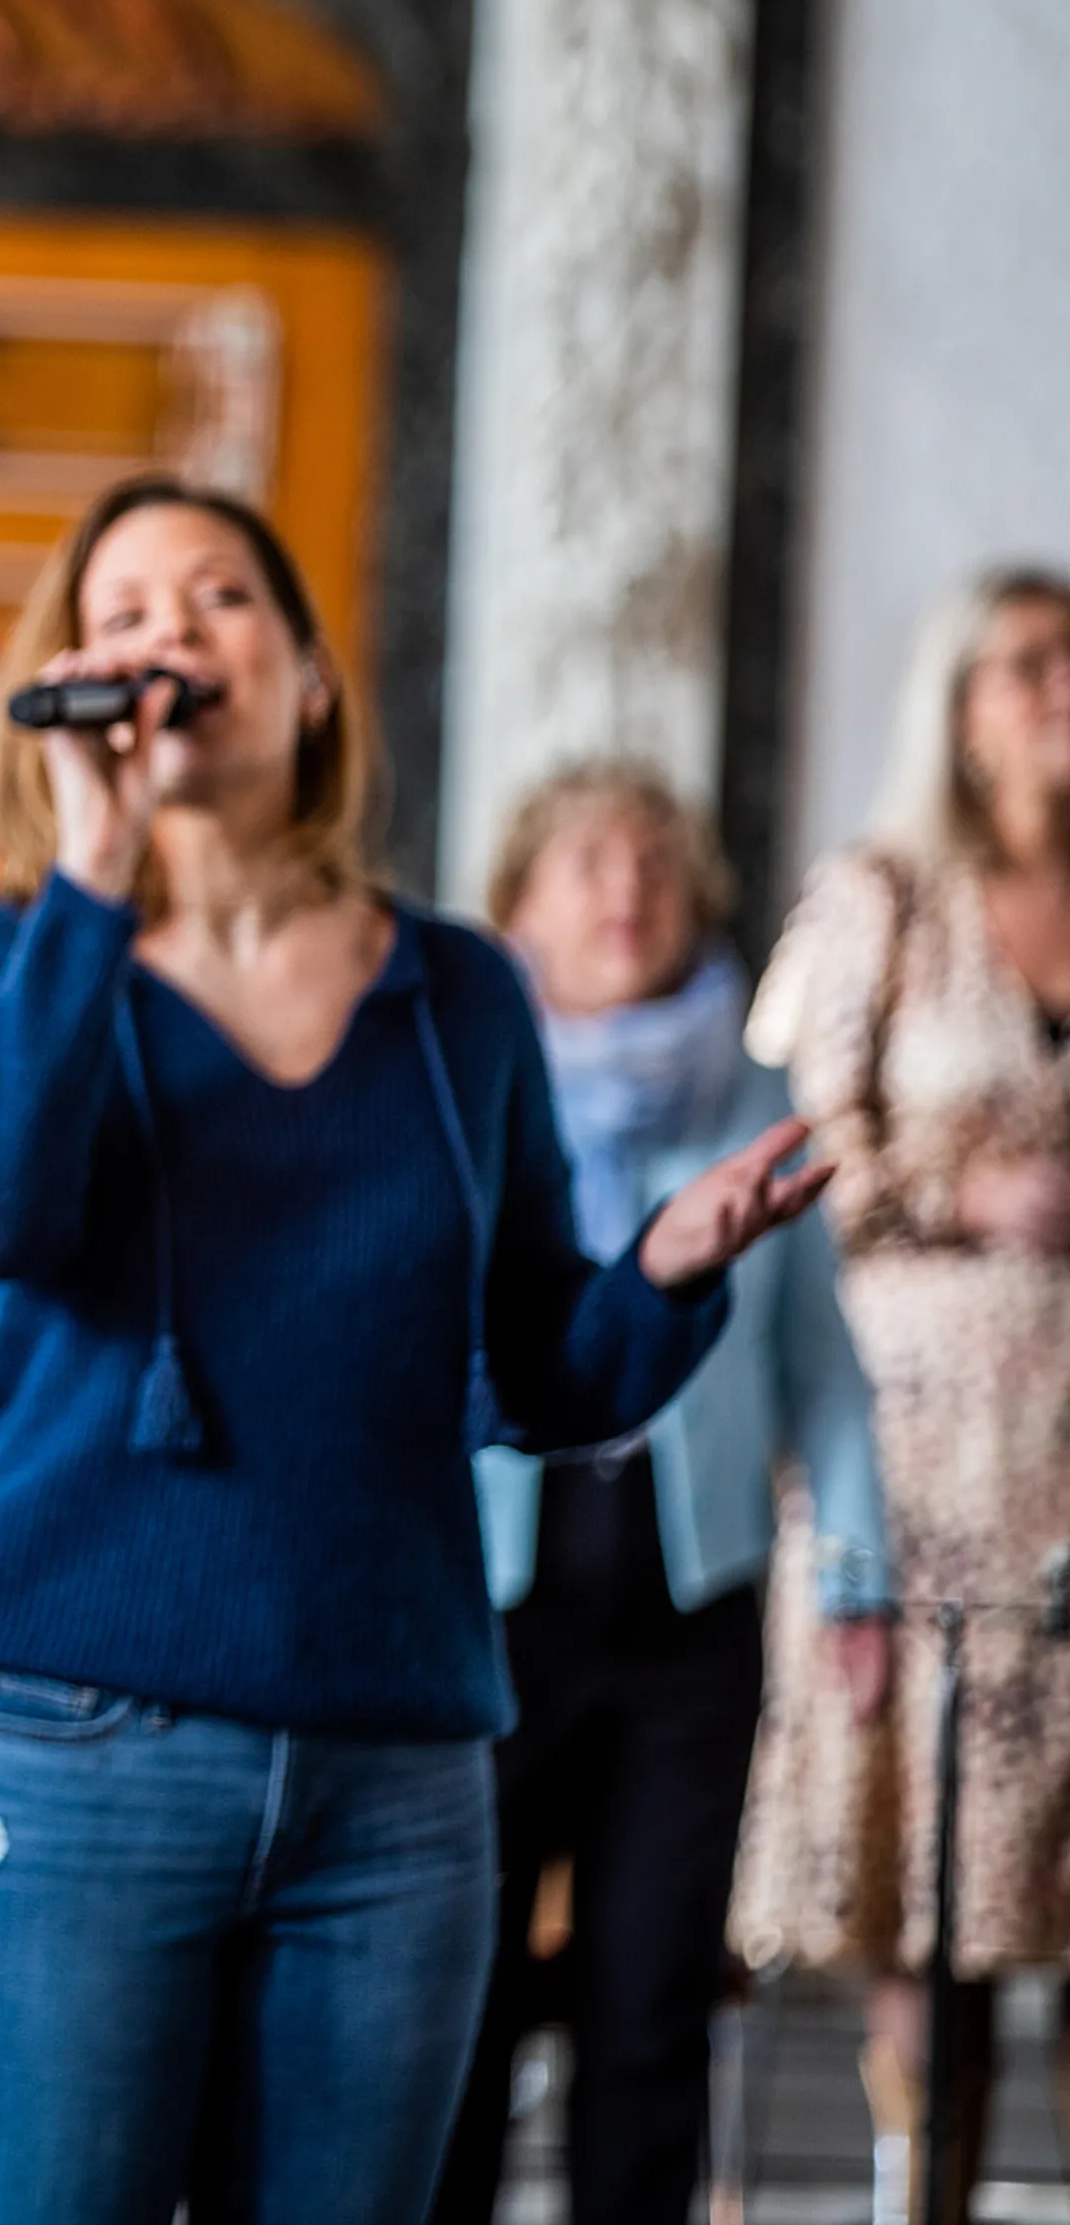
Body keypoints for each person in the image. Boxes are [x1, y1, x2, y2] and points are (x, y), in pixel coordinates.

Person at [0, 474, 827, 2225]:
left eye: (222, 598)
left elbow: (540, 1374)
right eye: (131, 606)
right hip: (85, 1758)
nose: (172, 632)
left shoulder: (460, 992)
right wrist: (99, 873)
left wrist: (671, 1270)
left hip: (397, 1785)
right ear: (75, 678)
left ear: (310, 679)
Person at [428, 763, 891, 2225]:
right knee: (464, 1996)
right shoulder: (454, 1083)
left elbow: (822, 1356)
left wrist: (860, 1573)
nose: (624, 890)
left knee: (650, 1999)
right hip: (487, 1606)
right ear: (516, 904)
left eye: (653, 863)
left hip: (692, 1603)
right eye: (585, 862)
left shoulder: (758, 1099)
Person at [732, 566, 1070, 2225]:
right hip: (924, 1445)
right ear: (957, 700)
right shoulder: (882, 893)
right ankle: (911, 2196)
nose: (1058, 691)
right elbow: (785, 1141)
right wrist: (959, 1190)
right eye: (1024, 666)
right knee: (931, 1868)